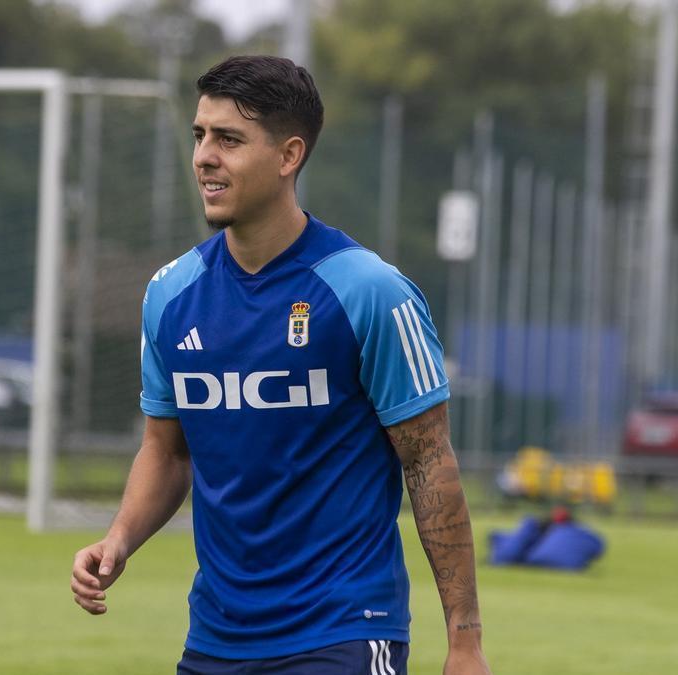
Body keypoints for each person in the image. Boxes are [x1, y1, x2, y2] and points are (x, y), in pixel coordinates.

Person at [70, 55, 491, 675]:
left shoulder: (370, 291)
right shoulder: (171, 293)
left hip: (342, 630)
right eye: (199, 135)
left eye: (229, 140)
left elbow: (429, 463)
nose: (204, 157)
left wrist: (465, 642)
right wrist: (119, 539)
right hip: (215, 637)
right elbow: (168, 451)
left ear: (289, 155)